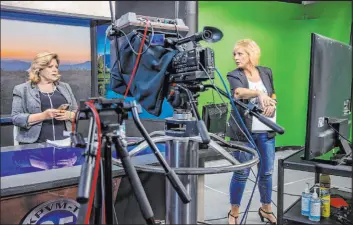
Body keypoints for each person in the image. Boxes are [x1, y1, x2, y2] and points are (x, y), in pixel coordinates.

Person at [226, 39, 278, 225]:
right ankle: (234, 213)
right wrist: (258, 94)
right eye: (234, 54)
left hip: (265, 130)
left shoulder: (266, 72)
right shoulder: (234, 75)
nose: (236, 57)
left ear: (251, 54)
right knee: (241, 173)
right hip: (243, 132)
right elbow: (238, 93)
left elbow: (272, 94)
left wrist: (272, 102)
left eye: (240, 54)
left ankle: (266, 208)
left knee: (266, 173)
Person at [11, 52, 78, 144]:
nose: (55, 70)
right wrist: (44, 116)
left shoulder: (65, 87)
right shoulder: (22, 89)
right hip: (36, 145)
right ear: (39, 69)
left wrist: (69, 115)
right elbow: (16, 118)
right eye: (50, 67)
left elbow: (77, 112)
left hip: (66, 142)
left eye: (56, 67)